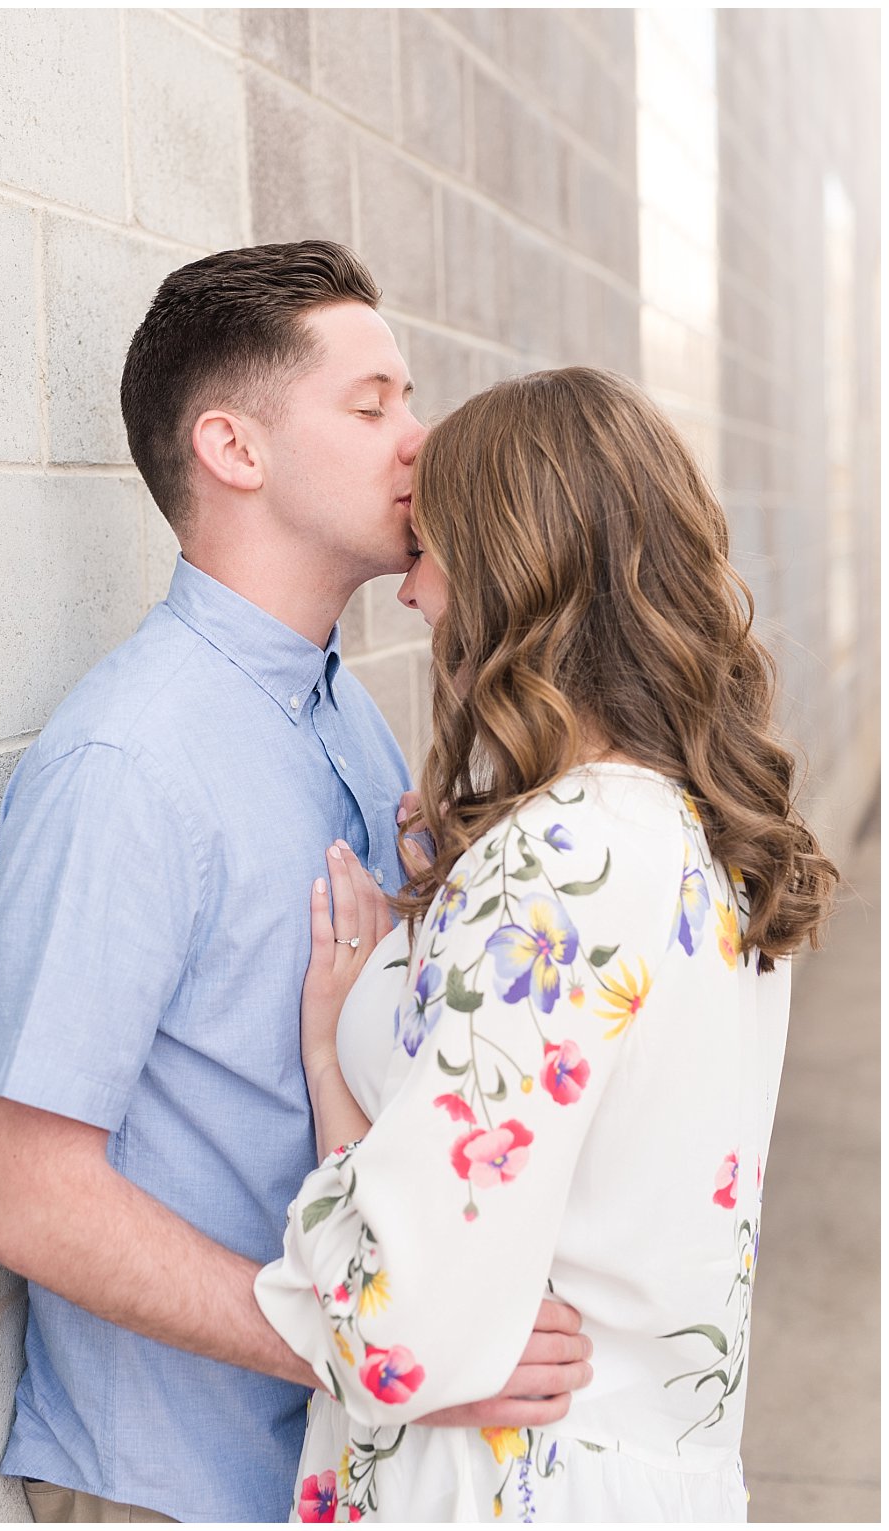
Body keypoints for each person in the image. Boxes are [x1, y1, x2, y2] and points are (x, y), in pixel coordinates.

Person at [0, 242, 593, 1525]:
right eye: (369, 407)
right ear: (232, 450)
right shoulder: (125, 766)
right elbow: (26, 1195)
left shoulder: (348, 717)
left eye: (406, 401)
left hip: (337, 1466)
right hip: (177, 1481)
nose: (416, 441)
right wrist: (381, 1350)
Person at [253, 365, 836, 1520]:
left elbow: (393, 1339)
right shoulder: (695, 829)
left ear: (513, 569)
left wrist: (327, 1061)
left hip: (506, 1485)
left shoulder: (562, 859)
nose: (410, 590)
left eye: (430, 548)